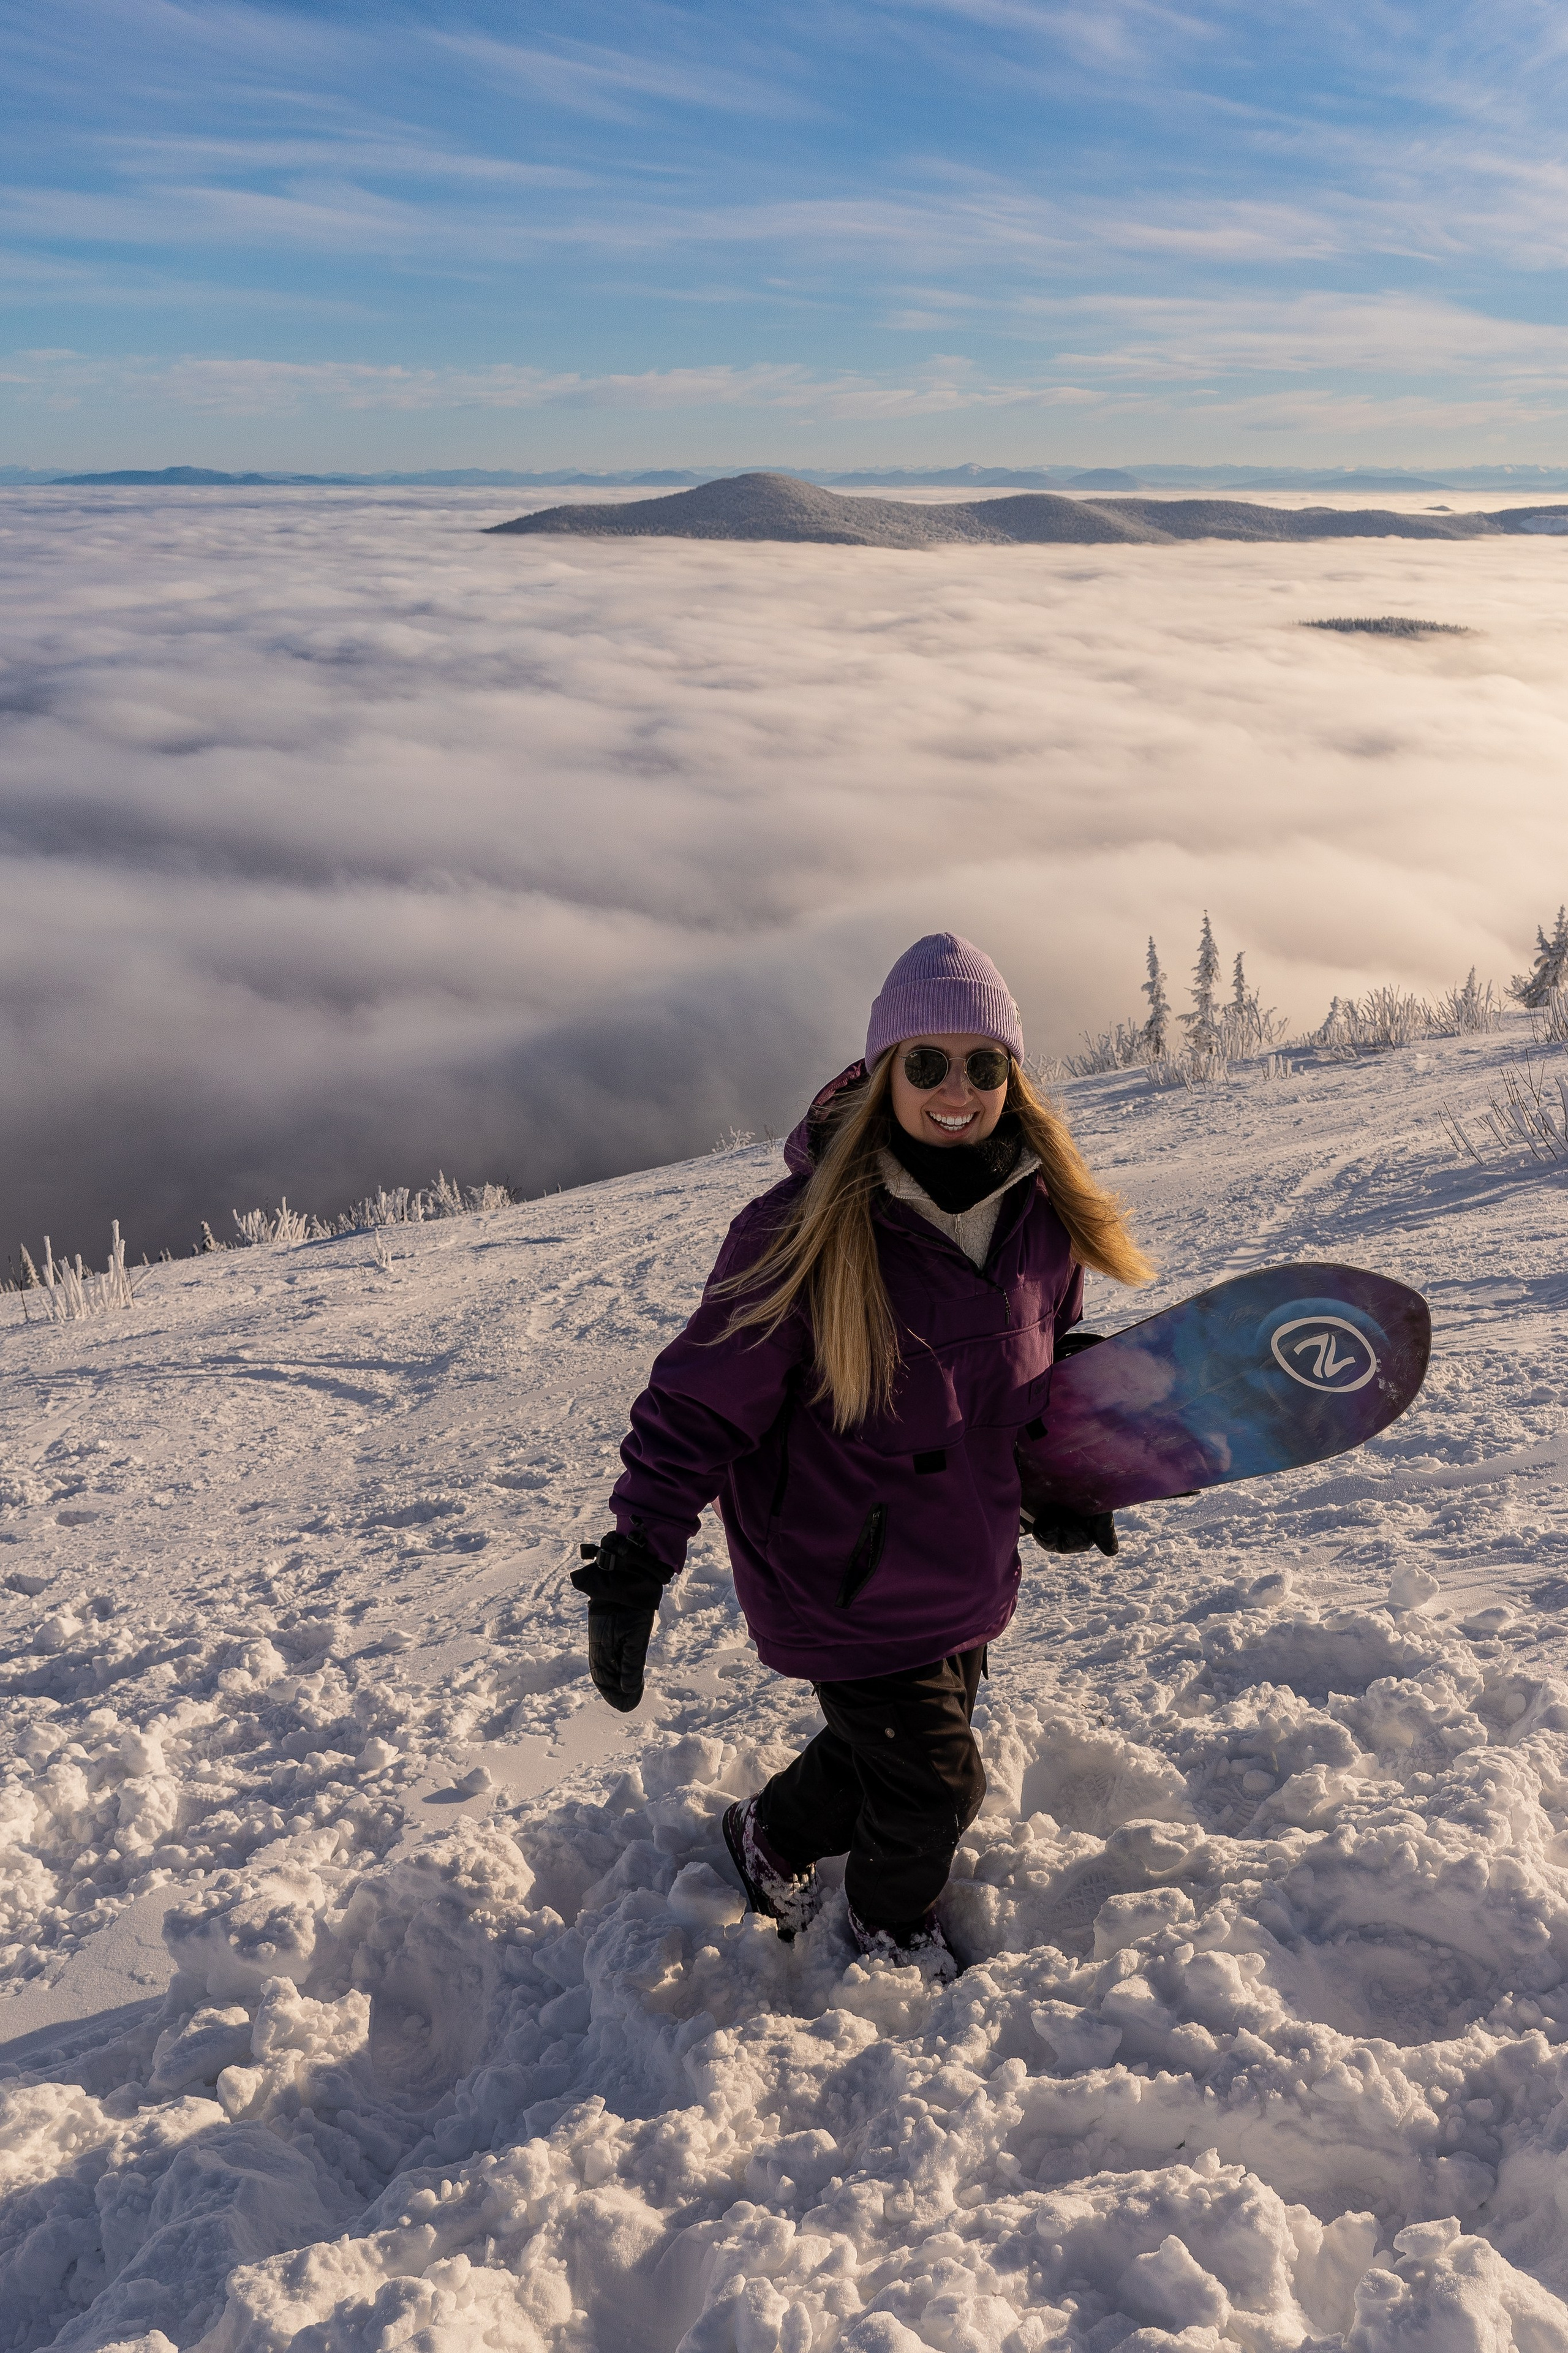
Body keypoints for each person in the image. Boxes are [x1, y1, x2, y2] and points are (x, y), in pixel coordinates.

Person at [573, 932, 1153, 1973]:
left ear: (1013, 1076)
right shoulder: (801, 1231)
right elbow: (696, 1407)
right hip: (840, 1575)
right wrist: (635, 1562)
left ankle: (769, 1836)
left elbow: (1034, 1362)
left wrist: (1068, 1468)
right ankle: (890, 1934)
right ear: (884, 1071)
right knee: (935, 1782)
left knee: (877, 1756)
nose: (955, 1089)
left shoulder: (1037, 1215)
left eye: (983, 1063)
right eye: (925, 1062)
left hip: (967, 1559)